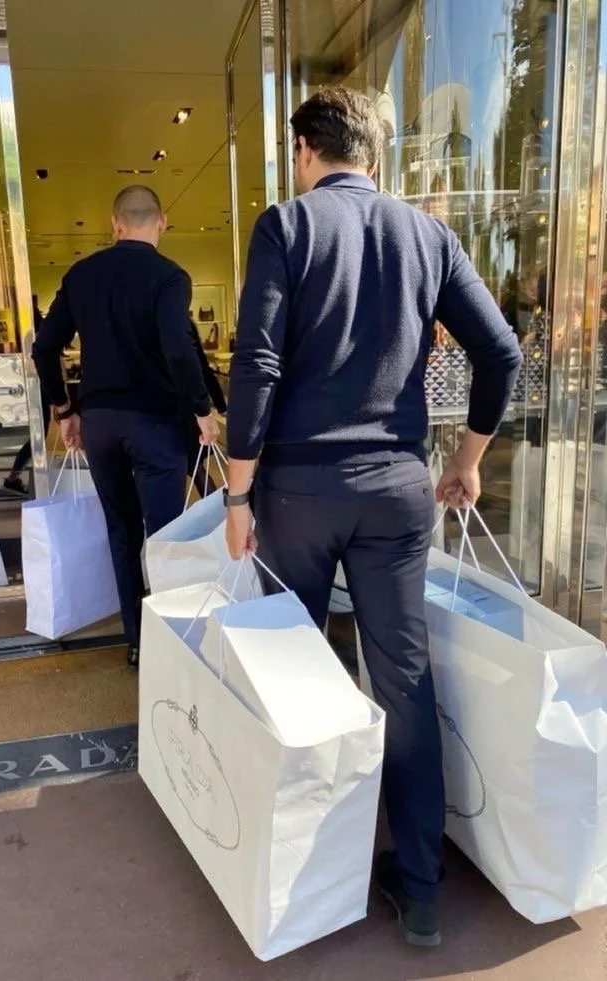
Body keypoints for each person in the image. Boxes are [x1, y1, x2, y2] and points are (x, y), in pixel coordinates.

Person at [224, 87, 522, 947]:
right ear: (373, 152)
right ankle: (421, 887)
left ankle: (308, 869)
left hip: (296, 490)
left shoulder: (286, 226)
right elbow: (499, 352)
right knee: (404, 682)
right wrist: (465, 461)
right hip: (396, 488)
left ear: (306, 150)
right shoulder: (429, 235)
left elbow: (259, 362)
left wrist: (238, 494)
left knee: (296, 674)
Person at [32, 185, 219, 668]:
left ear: (114, 223)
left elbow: (44, 347)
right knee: (164, 534)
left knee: (121, 529)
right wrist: (203, 409)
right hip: (155, 423)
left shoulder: (81, 275)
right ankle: (169, 644)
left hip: (100, 423)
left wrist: (63, 409)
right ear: (161, 222)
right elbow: (178, 348)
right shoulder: (169, 276)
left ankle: (136, 641)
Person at [3, 296, 51, 494]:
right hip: (40, 386)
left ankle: (16, 476)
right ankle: (18, 476)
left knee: (39, 435)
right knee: (40, 435)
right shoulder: (40, 334)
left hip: (31, 385)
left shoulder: (23, 333)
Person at [183, 319, 227, 496]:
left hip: (162, 410)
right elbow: (202, 368)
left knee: (175, 472)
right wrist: (219, 403)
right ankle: (217, 517)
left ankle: (176, 522)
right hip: (187, 407)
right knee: (196, 468)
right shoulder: (184, 323)